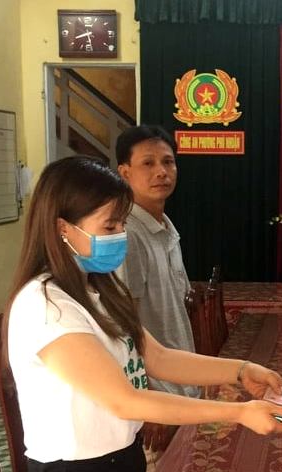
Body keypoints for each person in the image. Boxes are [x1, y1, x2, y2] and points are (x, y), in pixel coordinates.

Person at [5, 156, 282, 472]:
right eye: (110, 226)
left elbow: (157, 357)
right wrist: (238, 413)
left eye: (122, 224)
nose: (120, 235)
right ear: (63, 228)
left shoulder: (98, 289)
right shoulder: (47, 305)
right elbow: (125, 401)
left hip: (119, 469)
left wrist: (240, 370)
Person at [115, 125, 195, 453]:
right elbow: (124, 326)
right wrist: (147, 399)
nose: (161, 171)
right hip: (156, 399)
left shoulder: (164, 226)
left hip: (180, 385)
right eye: (148, 163)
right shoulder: (128, 234)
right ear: (124, 173)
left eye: (168, 162)